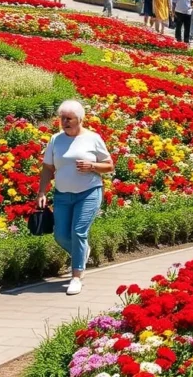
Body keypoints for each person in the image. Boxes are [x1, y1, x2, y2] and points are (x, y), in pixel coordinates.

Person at [35, 100, 114, 295]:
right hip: (62, 195)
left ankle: (76, 277)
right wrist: (42, 191)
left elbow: (110, 165)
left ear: (80, 119)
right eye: (62, 118)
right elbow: (48, 167)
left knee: (78, 232)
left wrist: (92, 166)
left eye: (69, 118)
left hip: (88, 193)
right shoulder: (56, 139)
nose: (64, 122)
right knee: (60, 235)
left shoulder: (93, 138)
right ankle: (82, 252)